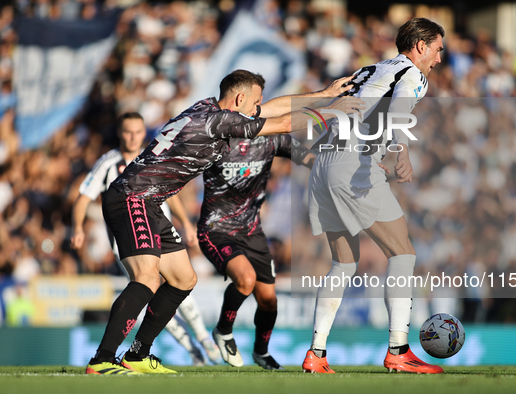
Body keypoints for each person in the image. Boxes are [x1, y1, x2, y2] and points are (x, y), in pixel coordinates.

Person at [85, 69, 362, 375]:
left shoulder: (212, 110)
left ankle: (138, 354)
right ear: (240, 98)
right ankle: (102, 359)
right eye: (254, 102)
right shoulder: (219, 121)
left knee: (183, 280)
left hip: (151, 202)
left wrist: (324, 93)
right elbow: (283, 123)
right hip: (132, 197)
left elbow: (274, 110)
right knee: (147, 278)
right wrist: (333, 109)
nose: (258, 108)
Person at [302, 18, 445, 374]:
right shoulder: (412, 75)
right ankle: (399, 350)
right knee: (403, 253)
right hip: (352, 164)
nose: (439, 59)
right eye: (438, 50)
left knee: (344, 263)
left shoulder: (370, 69)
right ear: (421, 46)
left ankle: (316, 354)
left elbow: (333, 109)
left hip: (325, 163)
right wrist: (400, 153)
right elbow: (398, 114)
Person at [71, 112, 222, 367]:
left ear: (144, 133)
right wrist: (78, 227)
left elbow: (169, 191)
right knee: (148, 283)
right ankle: (185, 348)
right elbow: (84, 196)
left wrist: (185, 222)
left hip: (158, 222)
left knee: (183, 279)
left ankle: (199, 338)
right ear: (120, 133)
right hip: (131, 229)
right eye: (128, 131)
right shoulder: (108, 162)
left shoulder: (149, 157)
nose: (132, 137)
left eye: (138, 132)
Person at [198, 134, 314, 370]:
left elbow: (306, 155)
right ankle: (223, 331)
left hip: (252, 232)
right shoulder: (215, 137)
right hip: (217, 228)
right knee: (245, 280)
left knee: (268, 300)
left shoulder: (268, 139)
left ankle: (261, 353)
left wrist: (327, 166)